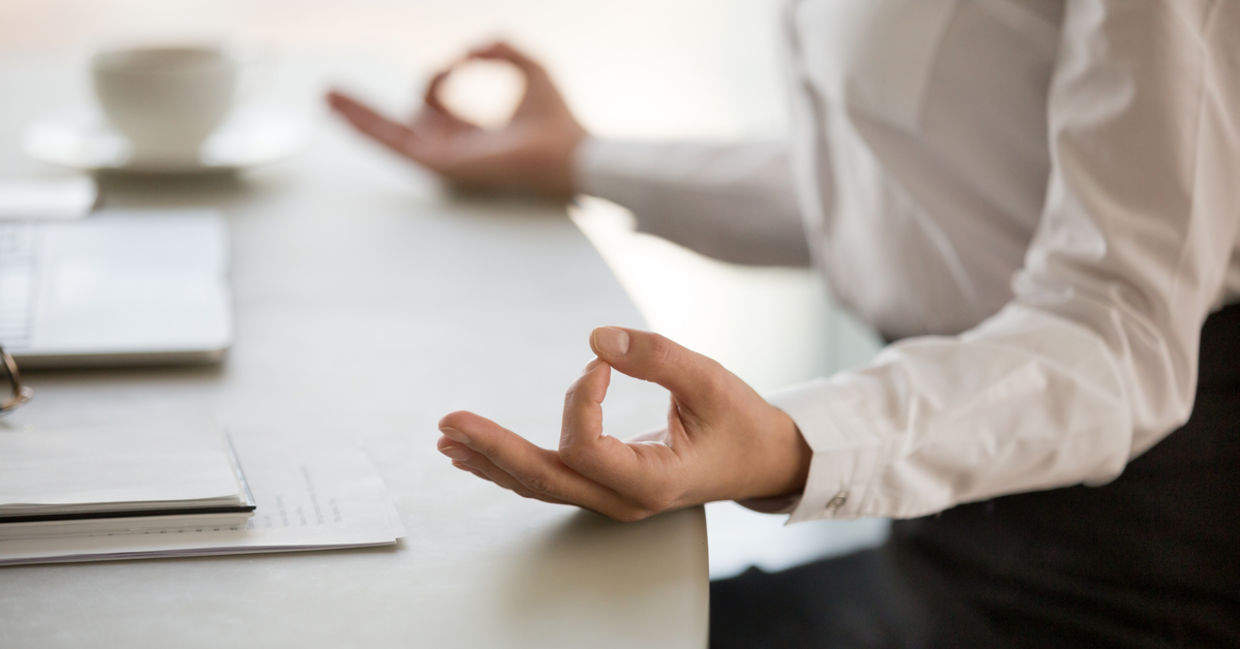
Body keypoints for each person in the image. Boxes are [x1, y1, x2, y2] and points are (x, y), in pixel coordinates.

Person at [328, 1, 1240, 646]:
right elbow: (905, 192)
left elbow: (1122, 336)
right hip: (940, 541)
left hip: (1123, 572)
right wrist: (580, 160)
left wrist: (789, 444)